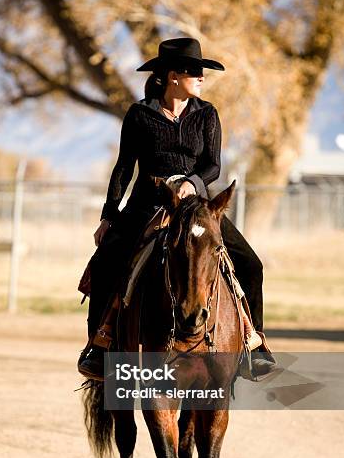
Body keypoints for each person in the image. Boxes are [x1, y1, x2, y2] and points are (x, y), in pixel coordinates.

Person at [78, 38, 276, 380]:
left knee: (250, 264)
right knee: (107, 259)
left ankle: (253, 343)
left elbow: (213, 165)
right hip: (148, 203)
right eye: (194, 71)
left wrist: (193, 183)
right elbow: (124, 168)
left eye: (201, 72)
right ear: (172, 76)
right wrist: (109, 215)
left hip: (197, 206)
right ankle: (100, 345)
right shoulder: (140, 115)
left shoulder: (207, 114)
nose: (201, 77)